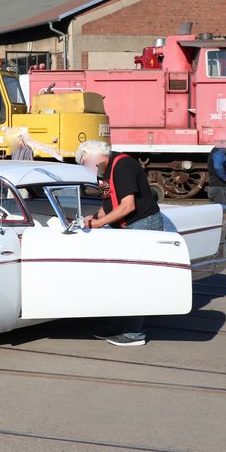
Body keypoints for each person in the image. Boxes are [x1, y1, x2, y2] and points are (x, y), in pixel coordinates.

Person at [75, 140, 163, 347]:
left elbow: (127, 206)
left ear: (96, 156)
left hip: (142, 224)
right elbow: (109, 204)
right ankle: (117, 327)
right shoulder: (102, 170)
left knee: (134, 280)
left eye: (85, 163)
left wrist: (97, 224)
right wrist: (91, 216)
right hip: (127, 226)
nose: (85, 168)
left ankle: (134, 333)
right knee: (120, 278)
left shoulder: (123, 165)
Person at [207, 140, 226, 256]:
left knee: (217, 217)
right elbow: (218, 166)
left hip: (215, 188)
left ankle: (218, 247)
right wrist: (225, 177)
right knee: (224, 218)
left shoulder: (213, 152)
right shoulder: (219, 153)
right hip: (221, 189)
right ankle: (221, 249)